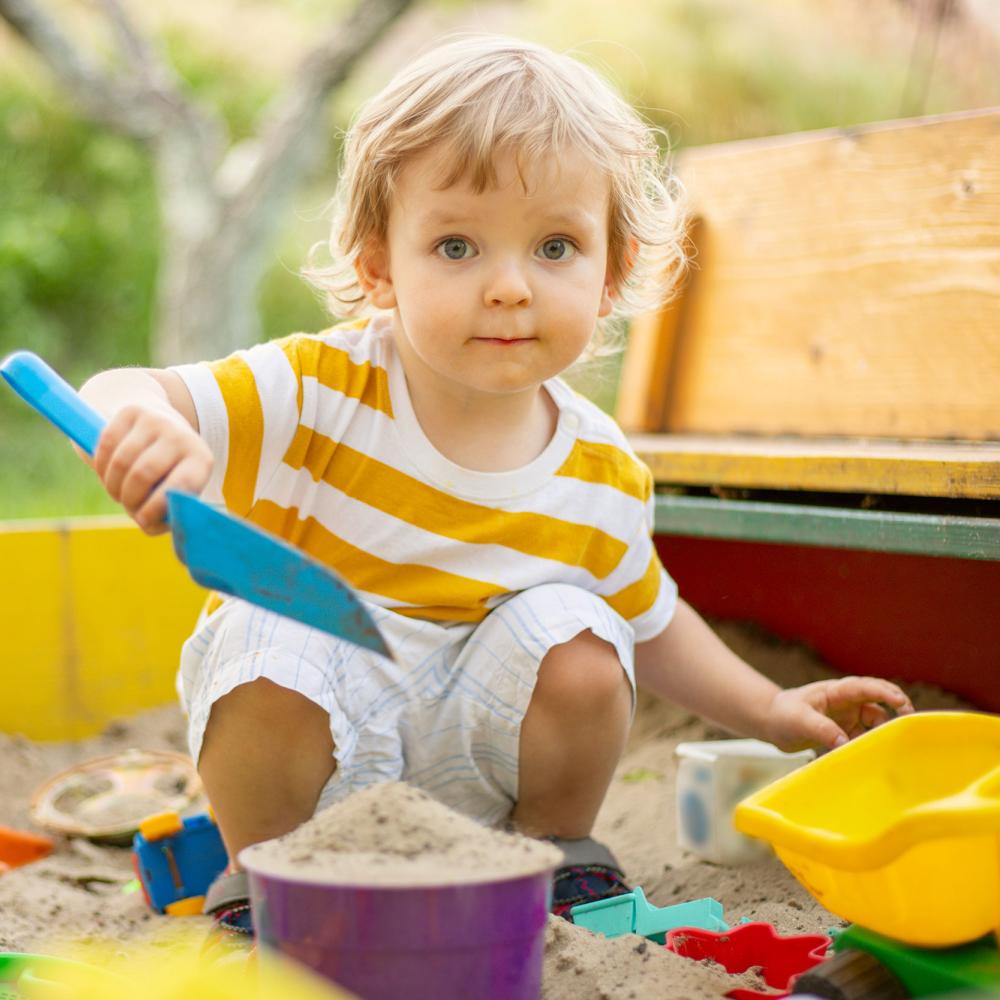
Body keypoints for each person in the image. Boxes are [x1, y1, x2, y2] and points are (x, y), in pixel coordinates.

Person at [78, 35, 913, 937]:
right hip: (318, 766)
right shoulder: (317, 388)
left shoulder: (599, 469)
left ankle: (553, 861)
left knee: (584, 631)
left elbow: (653, 617)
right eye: (457, 245)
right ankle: (260, 880)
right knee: (260, 627)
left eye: (555, 245)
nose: (510, 287)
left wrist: (772, 707)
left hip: (481, 780)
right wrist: (136, 420)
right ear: (377, 266)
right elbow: (130, 389)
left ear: (612, 273)